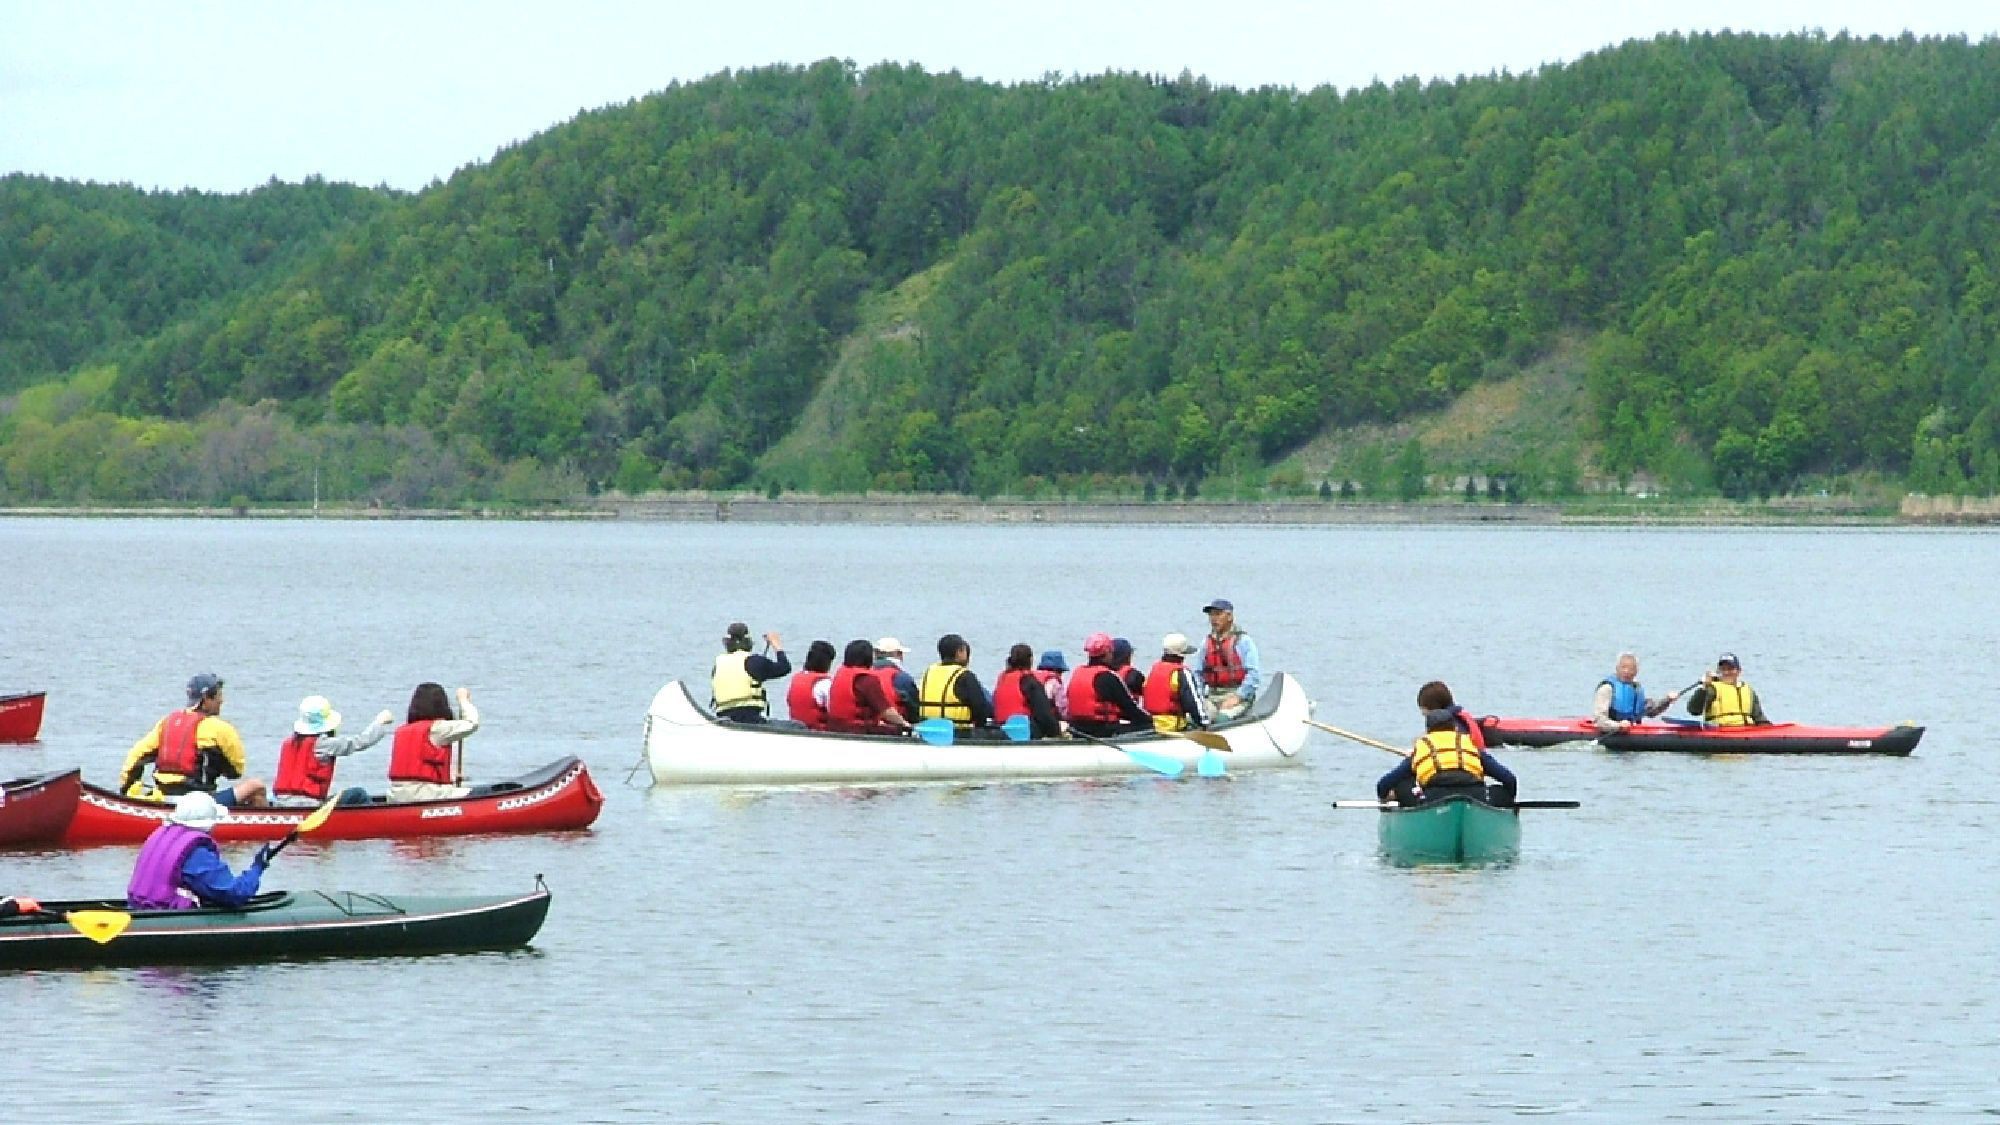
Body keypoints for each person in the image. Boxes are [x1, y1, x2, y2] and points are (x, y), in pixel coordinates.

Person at [120, 673, 268, 807]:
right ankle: (262, 831)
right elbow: (236, 771)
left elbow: (135, 758)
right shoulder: (220, 728)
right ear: (206, 699)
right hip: (201, 803)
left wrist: (126, 793)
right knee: (256, 786)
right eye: (218, 696)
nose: (222, 701)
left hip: (164, 798)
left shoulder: (167, 722)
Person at [1376, 681, 1518, 807]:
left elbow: (1383, 785)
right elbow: (1510, 780)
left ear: (1428, 730)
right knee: (1500, 790)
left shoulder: (1423, 749)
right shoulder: (1468, 745)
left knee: (1403, 784)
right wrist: (1508, 799)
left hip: (1435, 799)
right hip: (1475, 796)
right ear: (1454, 728)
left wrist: (1386, 797)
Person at [126, 792, 269, 910]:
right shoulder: (197, 855)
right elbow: (234, 893)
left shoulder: (162, 836)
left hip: (139, 907)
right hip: (164, 914)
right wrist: (257, 868)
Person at [273, 695, 394, 806]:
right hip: (309, 805)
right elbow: (359, 742)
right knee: (358, 794)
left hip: (281, 802)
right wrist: (379, 723)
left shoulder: (288, 743)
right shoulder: (323, 744)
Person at [387, 683, 478, 802]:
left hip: (395, 796)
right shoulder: (437, 728)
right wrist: (463, 700)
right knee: (481, 793)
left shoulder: (401, 731)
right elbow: (471, 723)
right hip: (425, 795)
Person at [1065, 633, 1155, 738]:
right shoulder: (1108, 676)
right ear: (1108, 653)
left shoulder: (1077, 672)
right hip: (1102, 730)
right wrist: (1151, 720)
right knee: (1147, 725)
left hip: (1076, 729)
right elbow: (1130, 708)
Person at [1194, 599, 1263, 720]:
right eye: (1211, 615)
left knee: (1222, 719)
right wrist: (1199, 697)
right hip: (1212, 695)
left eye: (1218, 614)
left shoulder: (1243, 641)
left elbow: (1253, 674)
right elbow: (1198, 674)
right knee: (1196, 718)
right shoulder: (1206, 643)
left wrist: (1238, 696)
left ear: (1229, 616)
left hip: (1236, 694)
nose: (1213, 618)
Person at [710, 623, 793, 724]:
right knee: (798, 726)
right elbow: (785, 667)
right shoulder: (754, 661)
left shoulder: (718, 664)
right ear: (748, 642)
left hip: (723, 718)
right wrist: (776, 645)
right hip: (750, 719)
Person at [828, 639, 913, 735]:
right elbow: (887, 712)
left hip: (835, 729)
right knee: (901, 730)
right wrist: (905, 723)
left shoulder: (840, 674)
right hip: (858, 730)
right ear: (868, 658)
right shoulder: (866, 679)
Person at [917, 633, 997, 733]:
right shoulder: (964, 675)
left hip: (928, 731)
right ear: (959, 652)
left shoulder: (928, 672)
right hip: (957, 733)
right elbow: (980, 708)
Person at [1592, 652, 1682, 733]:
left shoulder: (1635, 688)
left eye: (1631, 669)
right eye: (1623, 667)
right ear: (1617, 668)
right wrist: (1618, 726)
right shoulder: (1607, 688)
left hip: (1631, 729)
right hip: (1612, 730)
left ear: (1636, 671)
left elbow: (1651, 711)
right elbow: (1600, 720)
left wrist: (1668, 700)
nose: (1626, 671)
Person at [993, 643, 1065, 739]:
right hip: (1024, 732)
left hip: (1001, 730)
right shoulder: (1029, 682)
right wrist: (1057, 732)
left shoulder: (1002, 679)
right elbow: (1044, 714)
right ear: (1030, 660)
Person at [1142, 633, 1211, 732]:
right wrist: (1204, 723)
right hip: (1173, 725)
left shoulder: (1153, 670)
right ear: (1181, 655)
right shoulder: (1181, 672)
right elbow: (1193, 702)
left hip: (1153, 724)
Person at [1684, 653, 1769, 726]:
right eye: (1723, 669)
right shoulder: (1712, 689)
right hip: (1720, 733)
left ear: (1739, 671)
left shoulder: (1748, 690)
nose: (1726, 672)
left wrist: (1769, 730)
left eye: (1730, 669)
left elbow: (1759, 717)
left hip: (1746, 731)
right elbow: (1694, 710)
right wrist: (1704, 688)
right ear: (1718, 671)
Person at [786, 640, 838, 731]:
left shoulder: (796, 678)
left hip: (797, 730)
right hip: (818, 733)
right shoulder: (825, 683)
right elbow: (836, 712)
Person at [872, 638, 919, 718]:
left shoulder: (865, 674)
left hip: (871, 722)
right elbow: (914, 709)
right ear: (898, 654)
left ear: (876, 654)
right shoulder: (903, 678)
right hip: (897, 725)